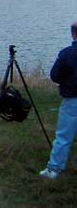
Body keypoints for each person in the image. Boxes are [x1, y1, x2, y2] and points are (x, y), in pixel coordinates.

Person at [40, 21, 77, 179]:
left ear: (73, 34)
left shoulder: (66, 53)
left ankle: (54, 169)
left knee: (63, 136)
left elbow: (55, 76)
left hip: (72, 100)